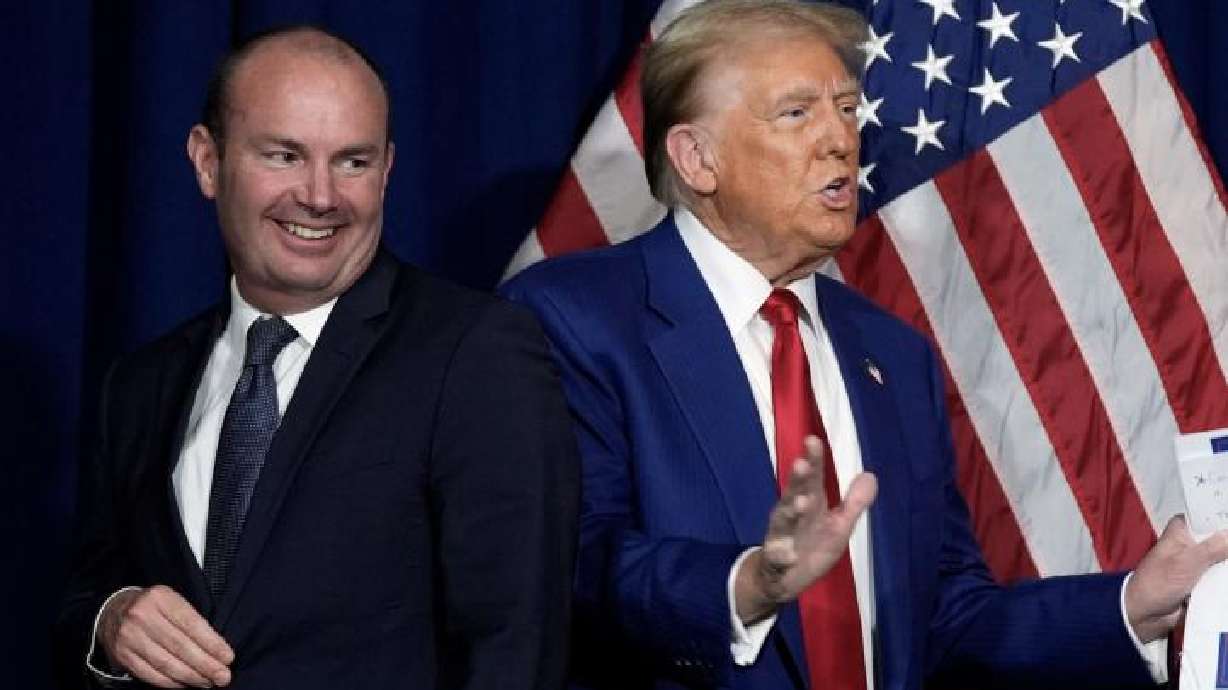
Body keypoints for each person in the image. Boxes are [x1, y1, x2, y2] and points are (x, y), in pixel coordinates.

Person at [501, 1, 1228, 689]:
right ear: (697, 159)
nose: (840, 137)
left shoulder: (892, 353)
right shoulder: (575, 320)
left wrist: (1135, 601)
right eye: (796, 113)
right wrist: (748, 584)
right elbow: (573, 564)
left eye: (846, 108)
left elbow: (947, 616)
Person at [55, 26, 579, 690]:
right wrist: (111, 618)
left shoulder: (476, 353)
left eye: (353, 162)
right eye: (284, 155)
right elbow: (83, 594)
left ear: (386, 171)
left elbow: (517, 647)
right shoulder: (140, 383)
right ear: (207, 162)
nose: (321, 196)